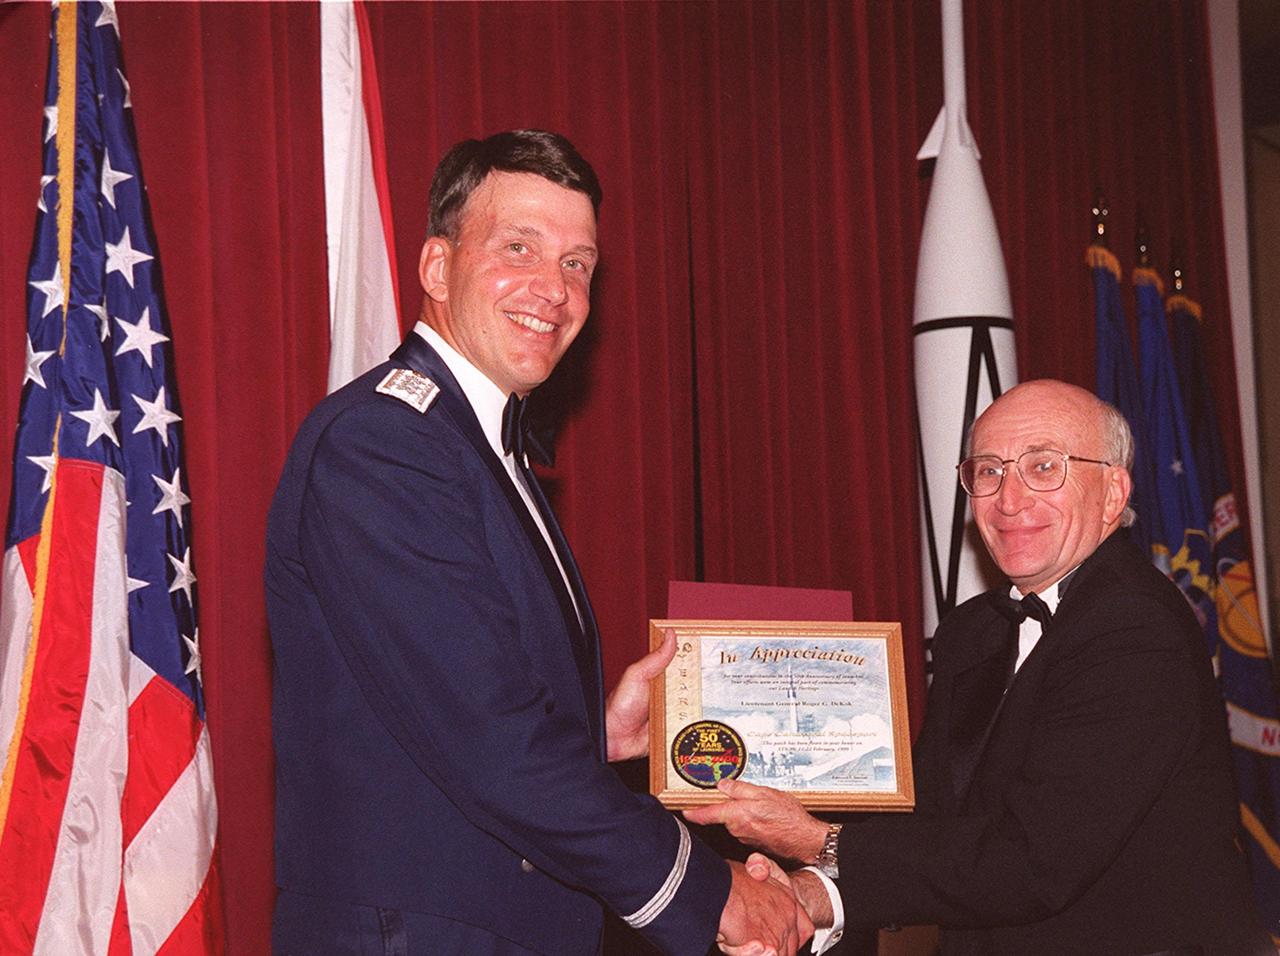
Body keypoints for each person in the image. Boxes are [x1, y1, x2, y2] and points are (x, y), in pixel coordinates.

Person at [265, 129, 810, 955]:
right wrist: (709, 892)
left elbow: (437, 711)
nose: (553, 289)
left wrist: (595, 734)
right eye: (519, 247)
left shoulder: (482, 446)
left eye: (577, 264)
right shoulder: (385, 444)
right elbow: (488, 738)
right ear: (437, 268)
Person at [687, 380, 1271, 954]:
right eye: (988, 471)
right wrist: (807, 896)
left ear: (1113, 494)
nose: (1009, 499)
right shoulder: (975, 631)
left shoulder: (1134, 628)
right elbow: (938, 827)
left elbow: (1030, 863)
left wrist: (815, 839)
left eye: (1043, 467)